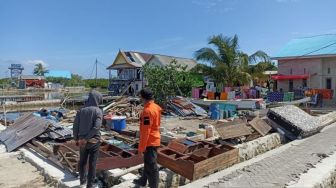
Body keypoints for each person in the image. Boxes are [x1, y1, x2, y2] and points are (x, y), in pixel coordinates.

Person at [73, 90, 103, 188]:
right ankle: (90, 185)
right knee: (92, 163)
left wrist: (76, 138)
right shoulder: (98, 111)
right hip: (94, 141)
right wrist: (87, 138)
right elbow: (97, 127)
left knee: (82, 161)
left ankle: (82, 181)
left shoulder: (81, 110)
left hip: (82, 142)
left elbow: (75, 126)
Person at [133, 88, 161, 188]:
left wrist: (141, 148)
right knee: (147, 162)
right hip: (154, 138)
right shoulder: (156, 107)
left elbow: (146, 131)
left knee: (152, 167)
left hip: (150, 141)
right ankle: (142, 181)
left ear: (143, 97)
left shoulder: (147, 111)